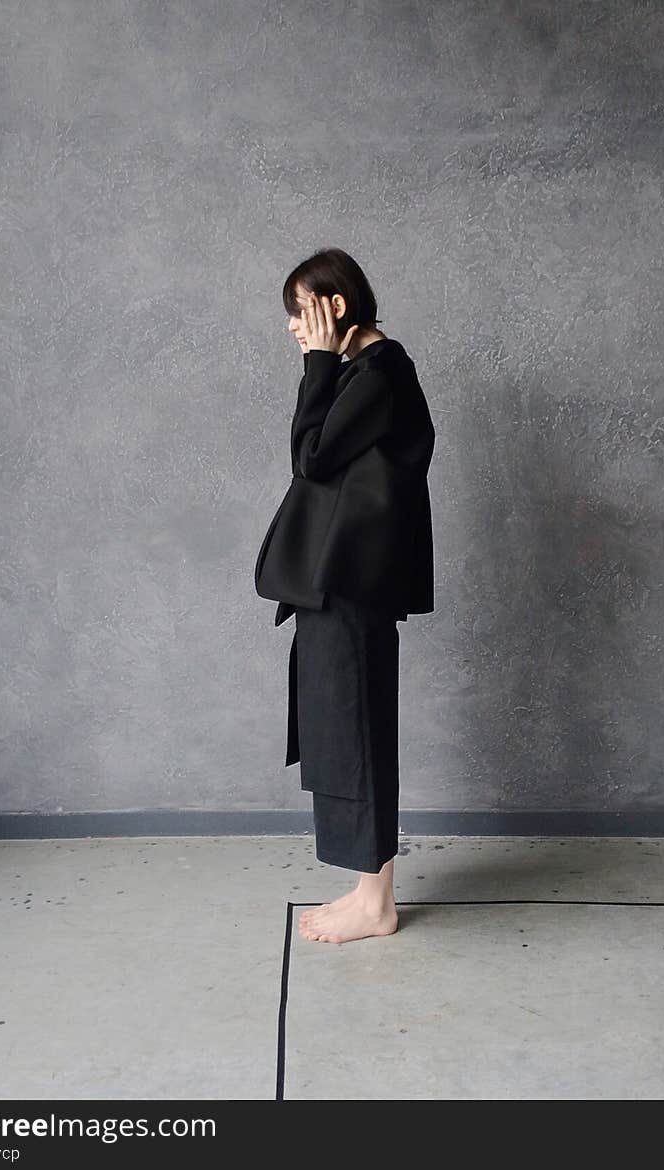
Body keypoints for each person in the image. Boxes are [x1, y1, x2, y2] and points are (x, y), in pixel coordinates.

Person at [254, 247, 436, 944]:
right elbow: (318, 458)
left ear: (335, 305)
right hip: (337, 585)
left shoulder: (380, 373)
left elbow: (311, 458)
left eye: (300, 313)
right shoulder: (363, 374)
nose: (295, 330)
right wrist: (324, 366)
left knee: (356, 731)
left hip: (354, 585)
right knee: (338, 730)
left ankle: (377, 902)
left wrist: (318, 364)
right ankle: (367, 889)